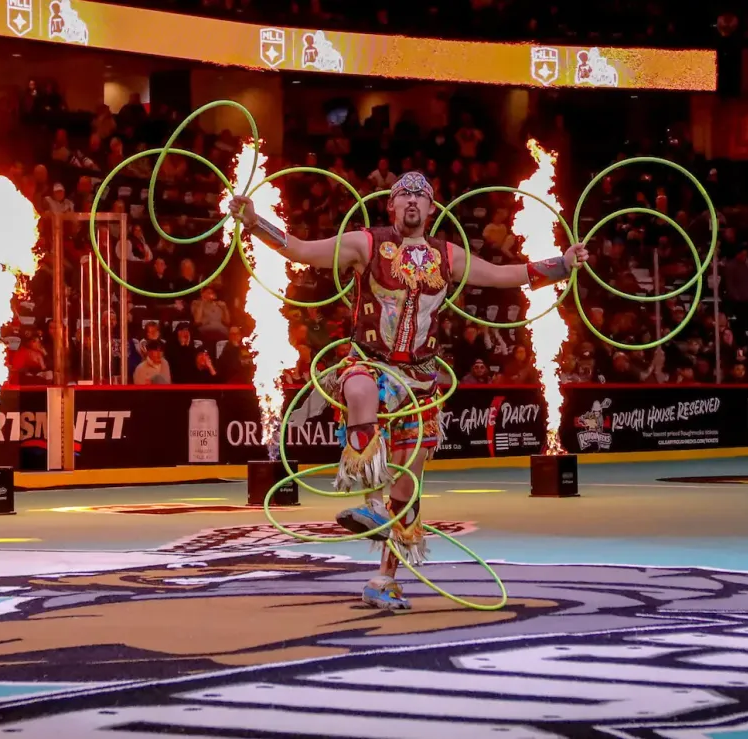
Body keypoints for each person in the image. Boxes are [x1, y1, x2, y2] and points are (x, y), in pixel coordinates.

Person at [228, 171, 588, 610]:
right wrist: (253, 221)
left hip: (421, 378)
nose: (413, 200)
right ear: (391, 206)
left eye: (421, 194)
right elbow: (302, 250)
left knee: (409, 485)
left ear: (432, 209)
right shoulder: (366, 243)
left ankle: (384, 577)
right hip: (370, 361)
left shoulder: (447, 255)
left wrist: (562, 264)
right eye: (404, 194)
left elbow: (503, 275)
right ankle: (370, 502)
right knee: (360, 391)